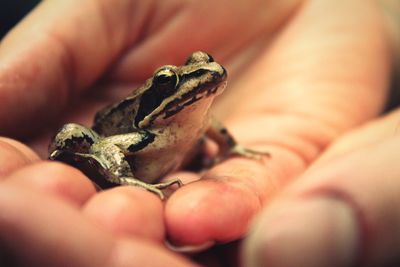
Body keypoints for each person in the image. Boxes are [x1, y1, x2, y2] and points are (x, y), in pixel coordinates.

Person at [0, 0, 399, 266]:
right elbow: (107, 145)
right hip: (113, 131)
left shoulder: (198, 118)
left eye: (202, 64)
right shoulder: (144, 135)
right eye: (171, 82)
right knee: (72, 133)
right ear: (161, 91)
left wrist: (235, 147)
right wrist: (127, 181)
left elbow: (214, 126)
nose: (202, 75)